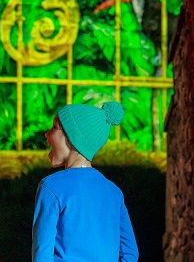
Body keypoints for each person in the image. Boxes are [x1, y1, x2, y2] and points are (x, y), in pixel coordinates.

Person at [32, 102, 139, 262]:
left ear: (72, 137)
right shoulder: (114, 192)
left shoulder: (51, 186)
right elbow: (130, 253)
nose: (47, 134)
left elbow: (42, 255)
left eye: (54, 127)